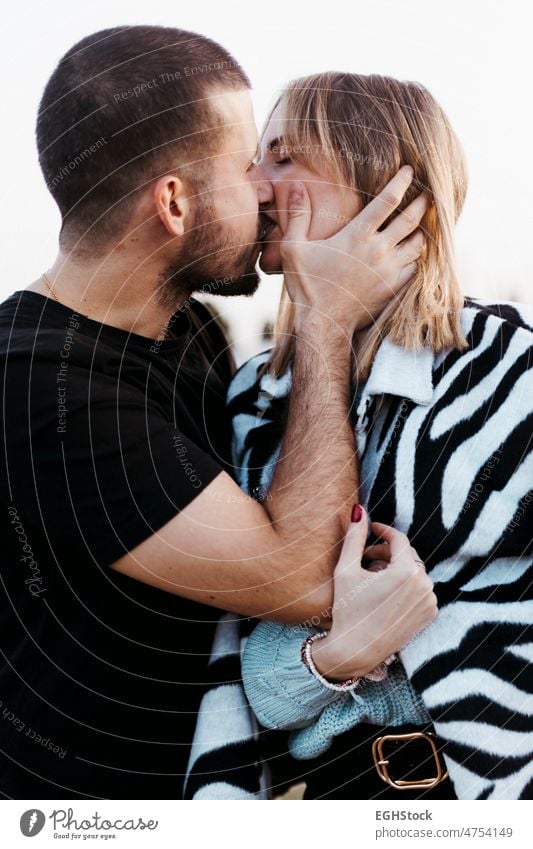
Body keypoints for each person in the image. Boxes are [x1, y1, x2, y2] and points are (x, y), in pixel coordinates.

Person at [0, 30, 431, 799]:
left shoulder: (191, 329)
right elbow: (301, 577)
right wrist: (325, 319)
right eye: (246, 165)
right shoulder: (41, 393)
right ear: (174, 202)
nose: (268, 188)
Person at [195, 72, 533, 800]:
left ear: (384, 186)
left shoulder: (509, 372)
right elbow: (263, 684)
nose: (254, 182)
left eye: (283, 156)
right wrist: (336, 654)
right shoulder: (254, 399)